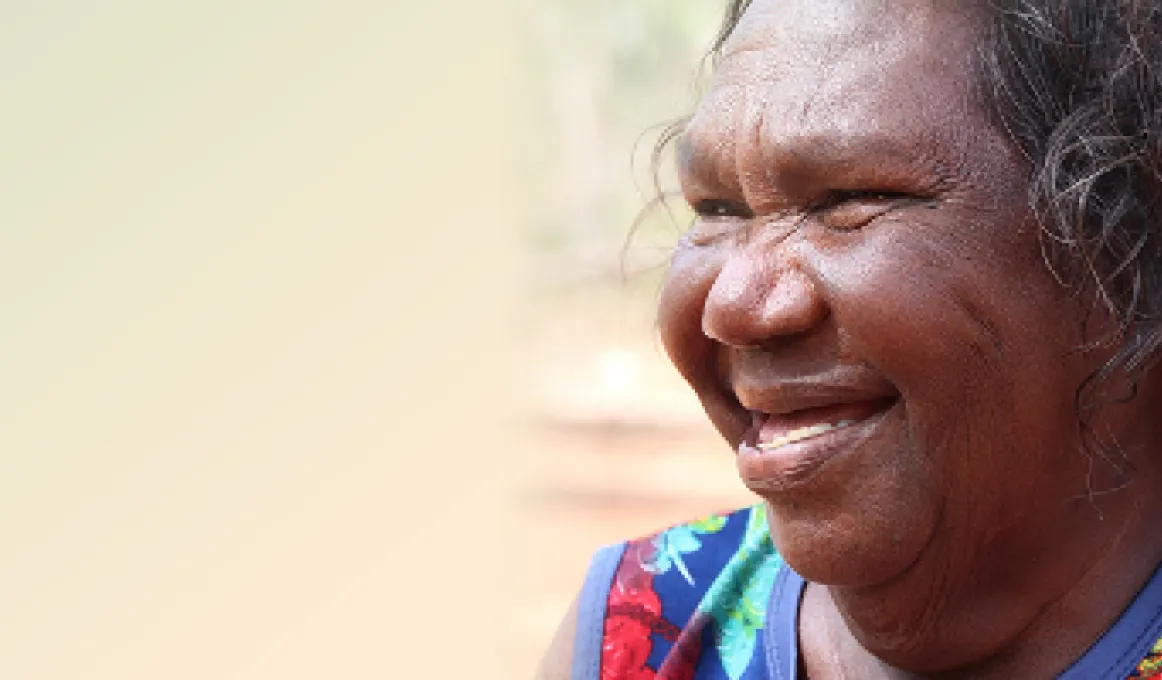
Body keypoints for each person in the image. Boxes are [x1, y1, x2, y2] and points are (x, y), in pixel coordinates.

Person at [538, 0, 1162, 678]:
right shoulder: (636, 633)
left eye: (847, 199)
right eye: (716, 209)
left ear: (1130, 248)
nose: (732, 307)